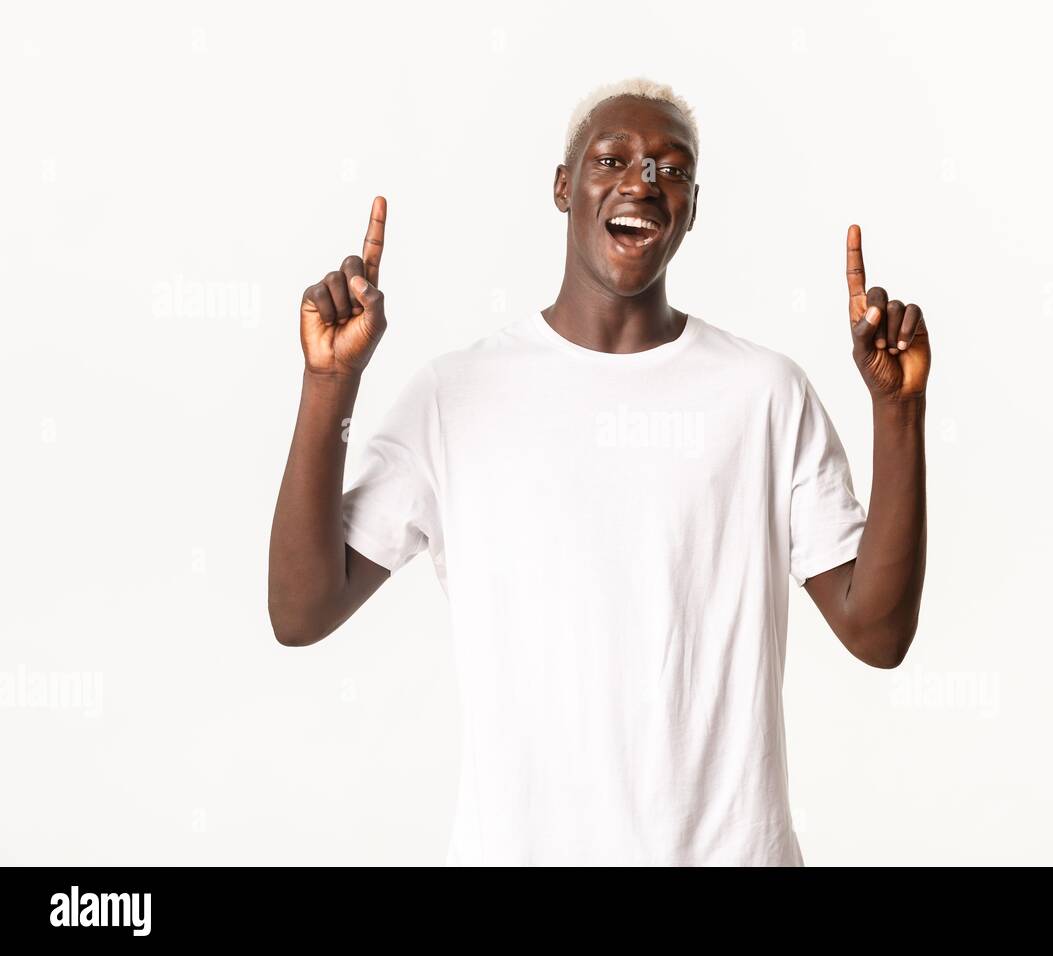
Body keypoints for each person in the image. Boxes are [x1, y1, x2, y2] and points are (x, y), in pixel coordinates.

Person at [268, 77, 930, 866]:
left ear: (692, 206)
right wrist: (328, 385)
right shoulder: (457, 395)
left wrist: (899, 415)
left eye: (671, 169)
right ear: (562, 186)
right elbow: (300, 611)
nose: (642, 183)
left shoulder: (764, 393)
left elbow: (879, 634)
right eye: (610, 158)